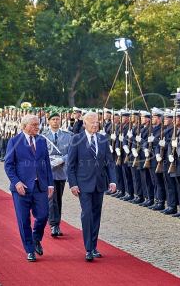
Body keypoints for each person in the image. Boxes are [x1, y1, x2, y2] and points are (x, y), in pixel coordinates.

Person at [67, 112, 117, 261]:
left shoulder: (102, 139)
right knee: (87, 214)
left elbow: (109, 162)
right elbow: (70, 165)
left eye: (97, 122)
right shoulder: (76, 139)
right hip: (83, 184)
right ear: (85, 124)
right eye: (92, 122)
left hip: (99, 184)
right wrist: (73, 184)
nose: (95, 125)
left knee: (96, 216)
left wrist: (113, 181)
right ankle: (88, 248)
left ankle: (94, 246)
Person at [4, 115, 54, 262]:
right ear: (24, 126)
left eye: (38, 125)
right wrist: (17, 182)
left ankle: (36, 238)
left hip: (40, 186)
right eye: (33, 125)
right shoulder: (14, 141)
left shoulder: (41, 140)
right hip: (21, 188)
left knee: (43, 215)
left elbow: (46, 163)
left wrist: (50, 183)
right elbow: (8, 165)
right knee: (23, 220)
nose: (37, 127)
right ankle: (29, 249)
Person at [42, 112, 73, 237]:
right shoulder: (43, 136)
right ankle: (54, 225)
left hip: (61, 169)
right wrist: (48, 161)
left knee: (58, 198)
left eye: (57, 119)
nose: (55, 121)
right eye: (53, 119)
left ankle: (56, 223)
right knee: (51, 198)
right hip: (48, 169)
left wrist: (62, 159)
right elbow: (39, 152)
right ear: (49, 121)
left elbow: (71, 151)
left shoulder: (68, 135)